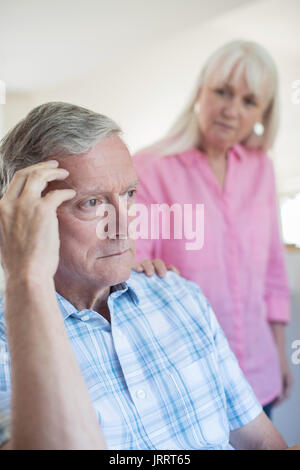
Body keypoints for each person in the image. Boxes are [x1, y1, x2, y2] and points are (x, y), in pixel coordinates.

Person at [0, 102, 288, 450]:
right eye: (92, 203)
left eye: (129, 194)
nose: (123, 224)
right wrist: (26, 273)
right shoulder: (8, 345)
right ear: (26, 216)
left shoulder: (180, 295)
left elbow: (261, 443)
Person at [133, 40, 293, 418]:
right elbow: (134, 266)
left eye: (249, 101)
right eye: (222, 91)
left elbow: (272, 270)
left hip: (259, 374)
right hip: (188, 379)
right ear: (200, 90)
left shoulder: (260, 168)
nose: (231, 110)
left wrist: (280, 354)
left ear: (262, 113)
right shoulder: (150, 168)